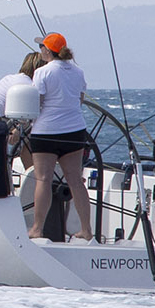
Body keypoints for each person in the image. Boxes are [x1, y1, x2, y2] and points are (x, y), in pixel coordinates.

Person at [26, 32, 92, 240]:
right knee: (75, 181)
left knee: (43, 179)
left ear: (47, 50)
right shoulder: (78, 72)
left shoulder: (42, 72)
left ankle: (37, 229)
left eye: (41, 48)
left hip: (46, 132)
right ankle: (87, 230)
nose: (40, 51)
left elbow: (36, 103)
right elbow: (80, 99)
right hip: (74, 132)